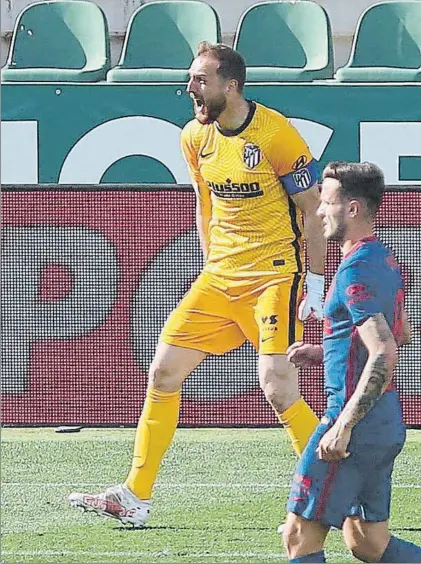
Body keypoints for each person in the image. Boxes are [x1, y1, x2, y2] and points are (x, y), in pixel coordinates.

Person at [69, 42, 326, 527]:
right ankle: (134, 496)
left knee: (278, 389)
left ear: (230, 85)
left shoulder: (277, 136)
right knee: (163, 373)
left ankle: (333, 487)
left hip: (274, 275)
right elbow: (204, 205)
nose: (190, 88)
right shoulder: (194, 136)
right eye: (191, 78)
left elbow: (312, 208)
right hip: (219, 278)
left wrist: (313, 279)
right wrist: (211, 264)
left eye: (200, 79)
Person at [282, 161, 421, 563]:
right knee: (366, 541)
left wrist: (343, 426)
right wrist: (329, 350)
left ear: (353, 209)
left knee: (298, 537)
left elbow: (384, 350)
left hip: (354, 425)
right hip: (385, 424)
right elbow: (402, 333)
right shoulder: (386, 260)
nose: (320, 211)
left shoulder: (353, 270)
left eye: (327, 203)